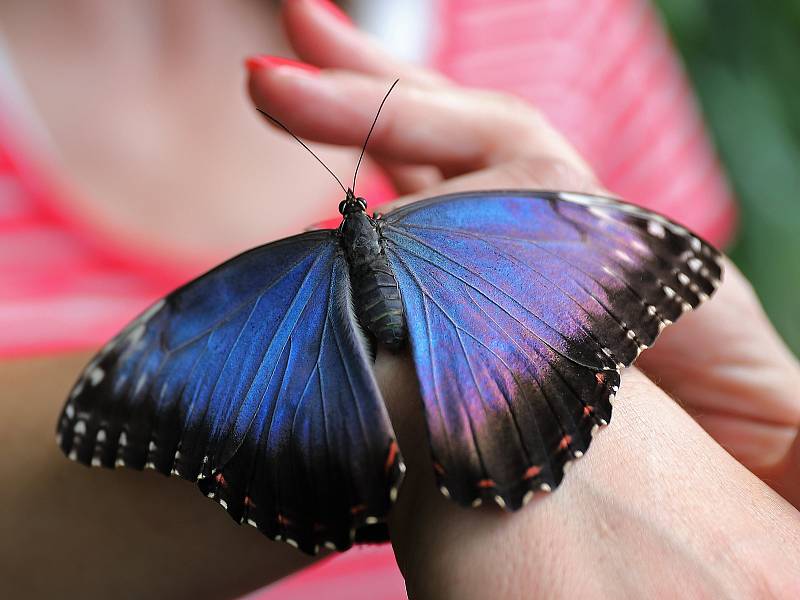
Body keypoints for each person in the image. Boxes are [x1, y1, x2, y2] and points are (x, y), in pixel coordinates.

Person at [1, 1, 799, 598]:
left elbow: (673, 344)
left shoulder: (561, 21)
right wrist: (425, 401)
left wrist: (775, 455)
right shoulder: (445, 226)